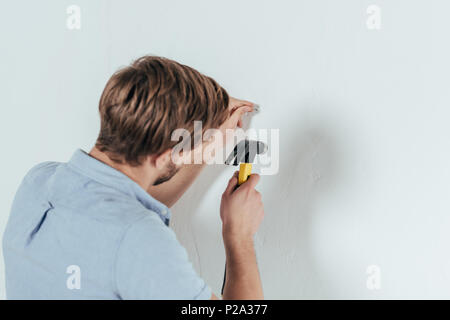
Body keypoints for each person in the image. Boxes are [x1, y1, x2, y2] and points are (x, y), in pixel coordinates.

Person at [2, 56, 264, 299]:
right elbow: (131, 230)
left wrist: (203, 145)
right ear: (165, 156)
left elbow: (122, 204)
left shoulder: (38, 182)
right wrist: (238, 234)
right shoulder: (141, 238)